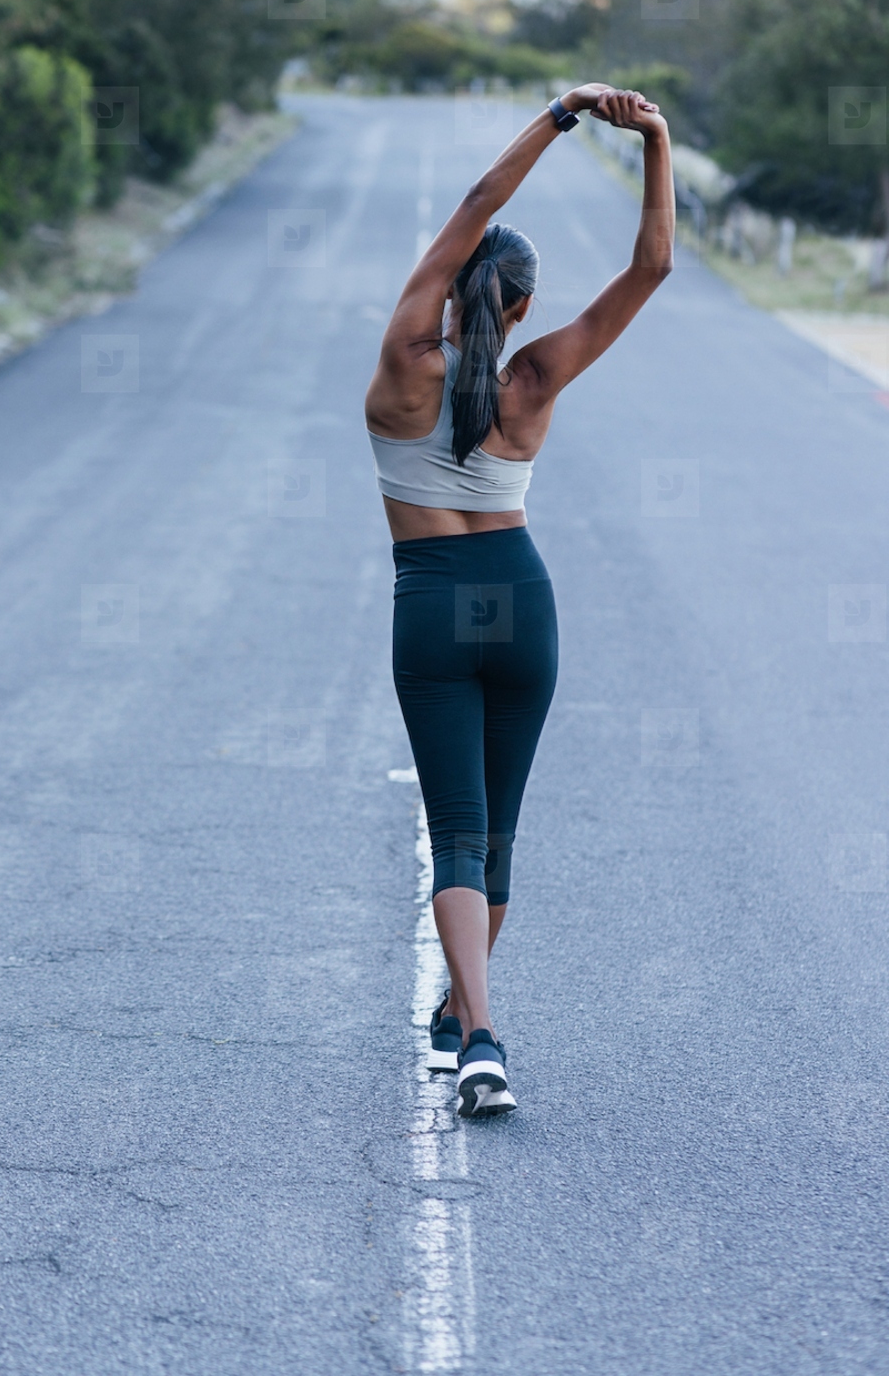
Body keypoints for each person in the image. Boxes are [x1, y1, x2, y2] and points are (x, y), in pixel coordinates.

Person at [365, 85, 675, 1116]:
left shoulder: (405, 362)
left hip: (432, 604)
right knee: (498, 833)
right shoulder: (537, 374)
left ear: (452, 288)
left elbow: (472, 198)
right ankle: (462, 1016)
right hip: (521, 599)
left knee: (453, 827)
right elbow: (650, 268)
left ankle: (479, 1031)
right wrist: (655, 143)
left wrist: (557, 116)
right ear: (522, 306)